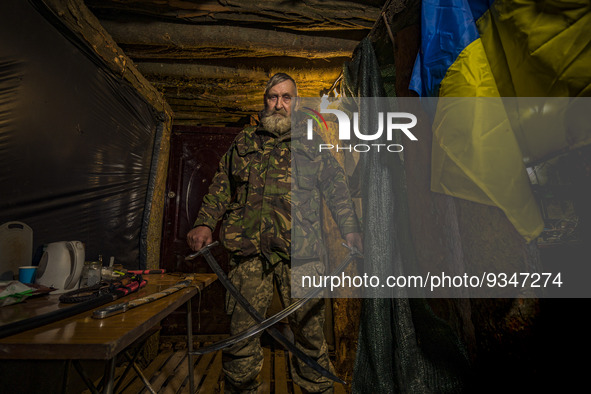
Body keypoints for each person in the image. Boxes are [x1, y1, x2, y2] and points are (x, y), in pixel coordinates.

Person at [187, 73, 362, 394]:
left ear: (295, 104)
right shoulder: (244, 143)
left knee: (310, 335)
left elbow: (337, 188)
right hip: (248, 255)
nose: (279, 104)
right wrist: (204, 222)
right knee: (241, 335)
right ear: (264, 101)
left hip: (303, 255)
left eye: (286, 98)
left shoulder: (312, 144)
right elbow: (220, 187)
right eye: (273, 97)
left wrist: (350, 229)